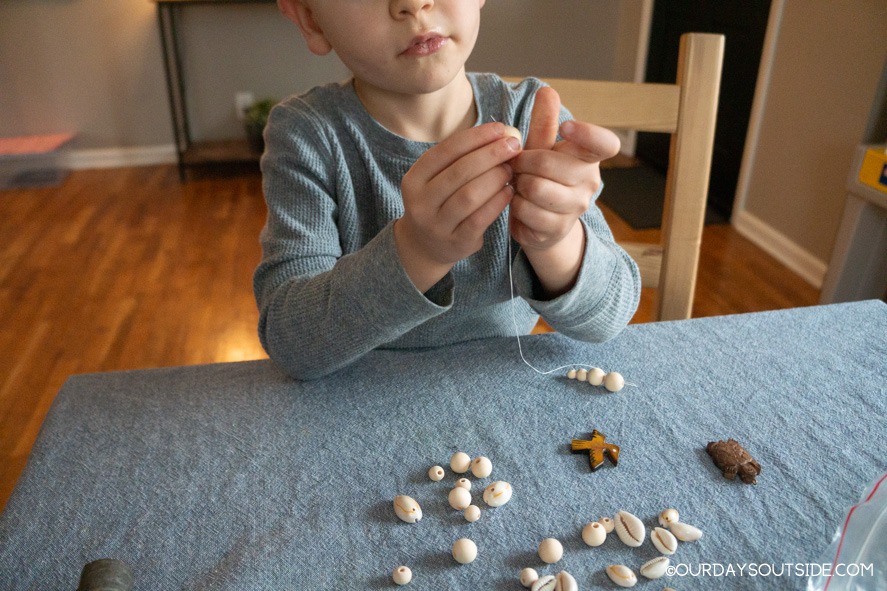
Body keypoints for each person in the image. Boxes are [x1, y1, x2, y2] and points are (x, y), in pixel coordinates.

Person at [254, 0, 641, 380]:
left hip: (497, 393)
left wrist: (554, 241)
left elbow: (610, 314)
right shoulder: (306, 136)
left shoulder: (533, 119)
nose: (413, 4)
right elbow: (292, 343)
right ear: (310, 19)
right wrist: (416, 252)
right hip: (358, 404)